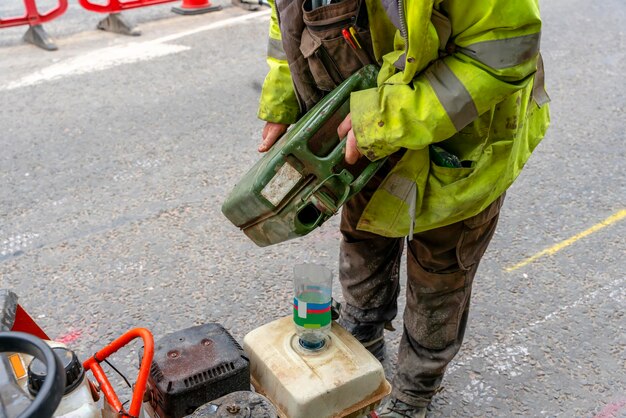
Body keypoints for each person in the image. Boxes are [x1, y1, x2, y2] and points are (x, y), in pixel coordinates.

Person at [256, 0, 550, 416]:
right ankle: (363, 340)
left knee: (440, 274)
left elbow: (499, 54)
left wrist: (383, 119)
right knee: (364, 235)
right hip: (359, 127)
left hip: (463, 135)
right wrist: (283, 104)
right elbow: (284, 22)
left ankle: (415, 391)